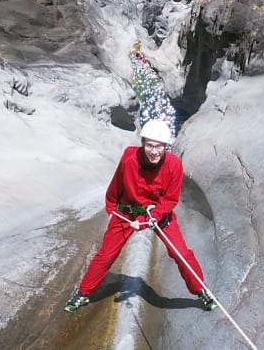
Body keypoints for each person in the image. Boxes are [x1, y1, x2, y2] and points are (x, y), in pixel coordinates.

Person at [64, 118, 217, 313]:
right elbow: (117, 182)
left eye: (159, 146)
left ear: (165, 146)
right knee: (106, 255)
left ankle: (201, 290)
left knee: (181, 253)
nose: (154, 151)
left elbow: (170, 199)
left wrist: (148, 219)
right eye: (150, 146)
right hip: (127, 212)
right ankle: (83, 294)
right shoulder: (129, 159)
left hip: (158, 213)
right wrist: (111, 203)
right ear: (143, 143)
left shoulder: (174, 165)